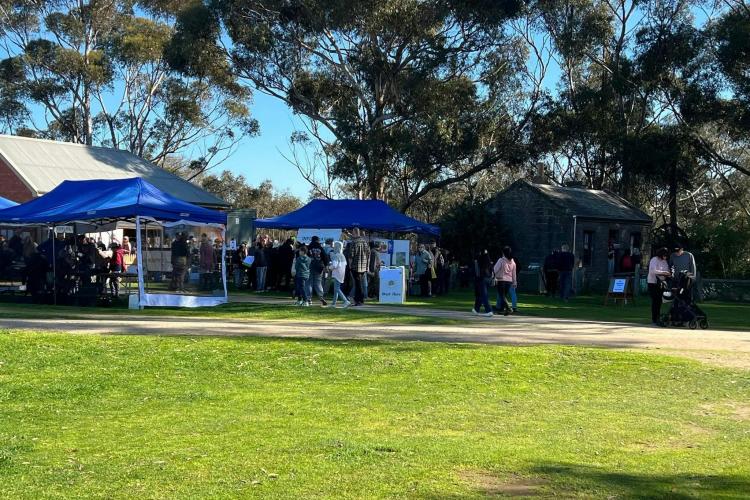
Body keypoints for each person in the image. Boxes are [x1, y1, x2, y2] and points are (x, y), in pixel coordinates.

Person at [648, 247, 672, 326]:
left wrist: (667, 273)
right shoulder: (654, 260)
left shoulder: (664, 261)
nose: (665, 257)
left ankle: (657, 318)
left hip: (661, 283)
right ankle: (654, 319)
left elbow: (667, 270)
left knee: (659, 302)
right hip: (653, 283)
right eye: (664, 255)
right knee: (655, 301)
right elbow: (653, 271)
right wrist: (664, 272)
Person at [493, 246, 517, 316]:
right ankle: (502, 309)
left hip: (501, 280)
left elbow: (495, 269)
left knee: (501, 295)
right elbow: (514, 273)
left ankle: (509, 308)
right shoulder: (513, 262)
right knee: (504, 296)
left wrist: (492, 276)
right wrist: (515, 282)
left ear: (503, 252)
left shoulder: (501, 260)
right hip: (509, 281)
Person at [307, 235, 329, 306]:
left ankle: (309, 298)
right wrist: (326, 266)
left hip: (310, 266)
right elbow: (325, 258)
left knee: (309, 283)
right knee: (318, 283)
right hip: (319, 267)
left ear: (312, 240)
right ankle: (321, 297)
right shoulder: (320, 248)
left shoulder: (309, 247)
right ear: (318, 240)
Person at [349, 228, 369, 306]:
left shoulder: (354, 242)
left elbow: (351, 255)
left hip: (355, 265)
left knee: (357, 284)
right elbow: (368, 253)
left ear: (354, 233)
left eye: (352, 233)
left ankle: (358, 300)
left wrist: (350, 265)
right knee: (360, 283)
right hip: (363, 266)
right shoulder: (365, 242)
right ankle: (361, 299)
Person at [328, 241, 351, 308]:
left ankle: (345, 301)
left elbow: (334, 265)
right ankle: (333, 304)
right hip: (341, 273)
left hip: (337, 273)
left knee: (337, 288)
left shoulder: (336, 256)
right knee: (336, 289)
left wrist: (329, 267)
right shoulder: (342, 255)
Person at [471, 249, 493, 317]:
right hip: (487, 278)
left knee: (483, 295)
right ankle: (476, 309)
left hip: (481, 278)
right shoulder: (488, 260)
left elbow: (477, 271)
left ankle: (489, 310)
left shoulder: (479, 259)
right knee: (479, 295)